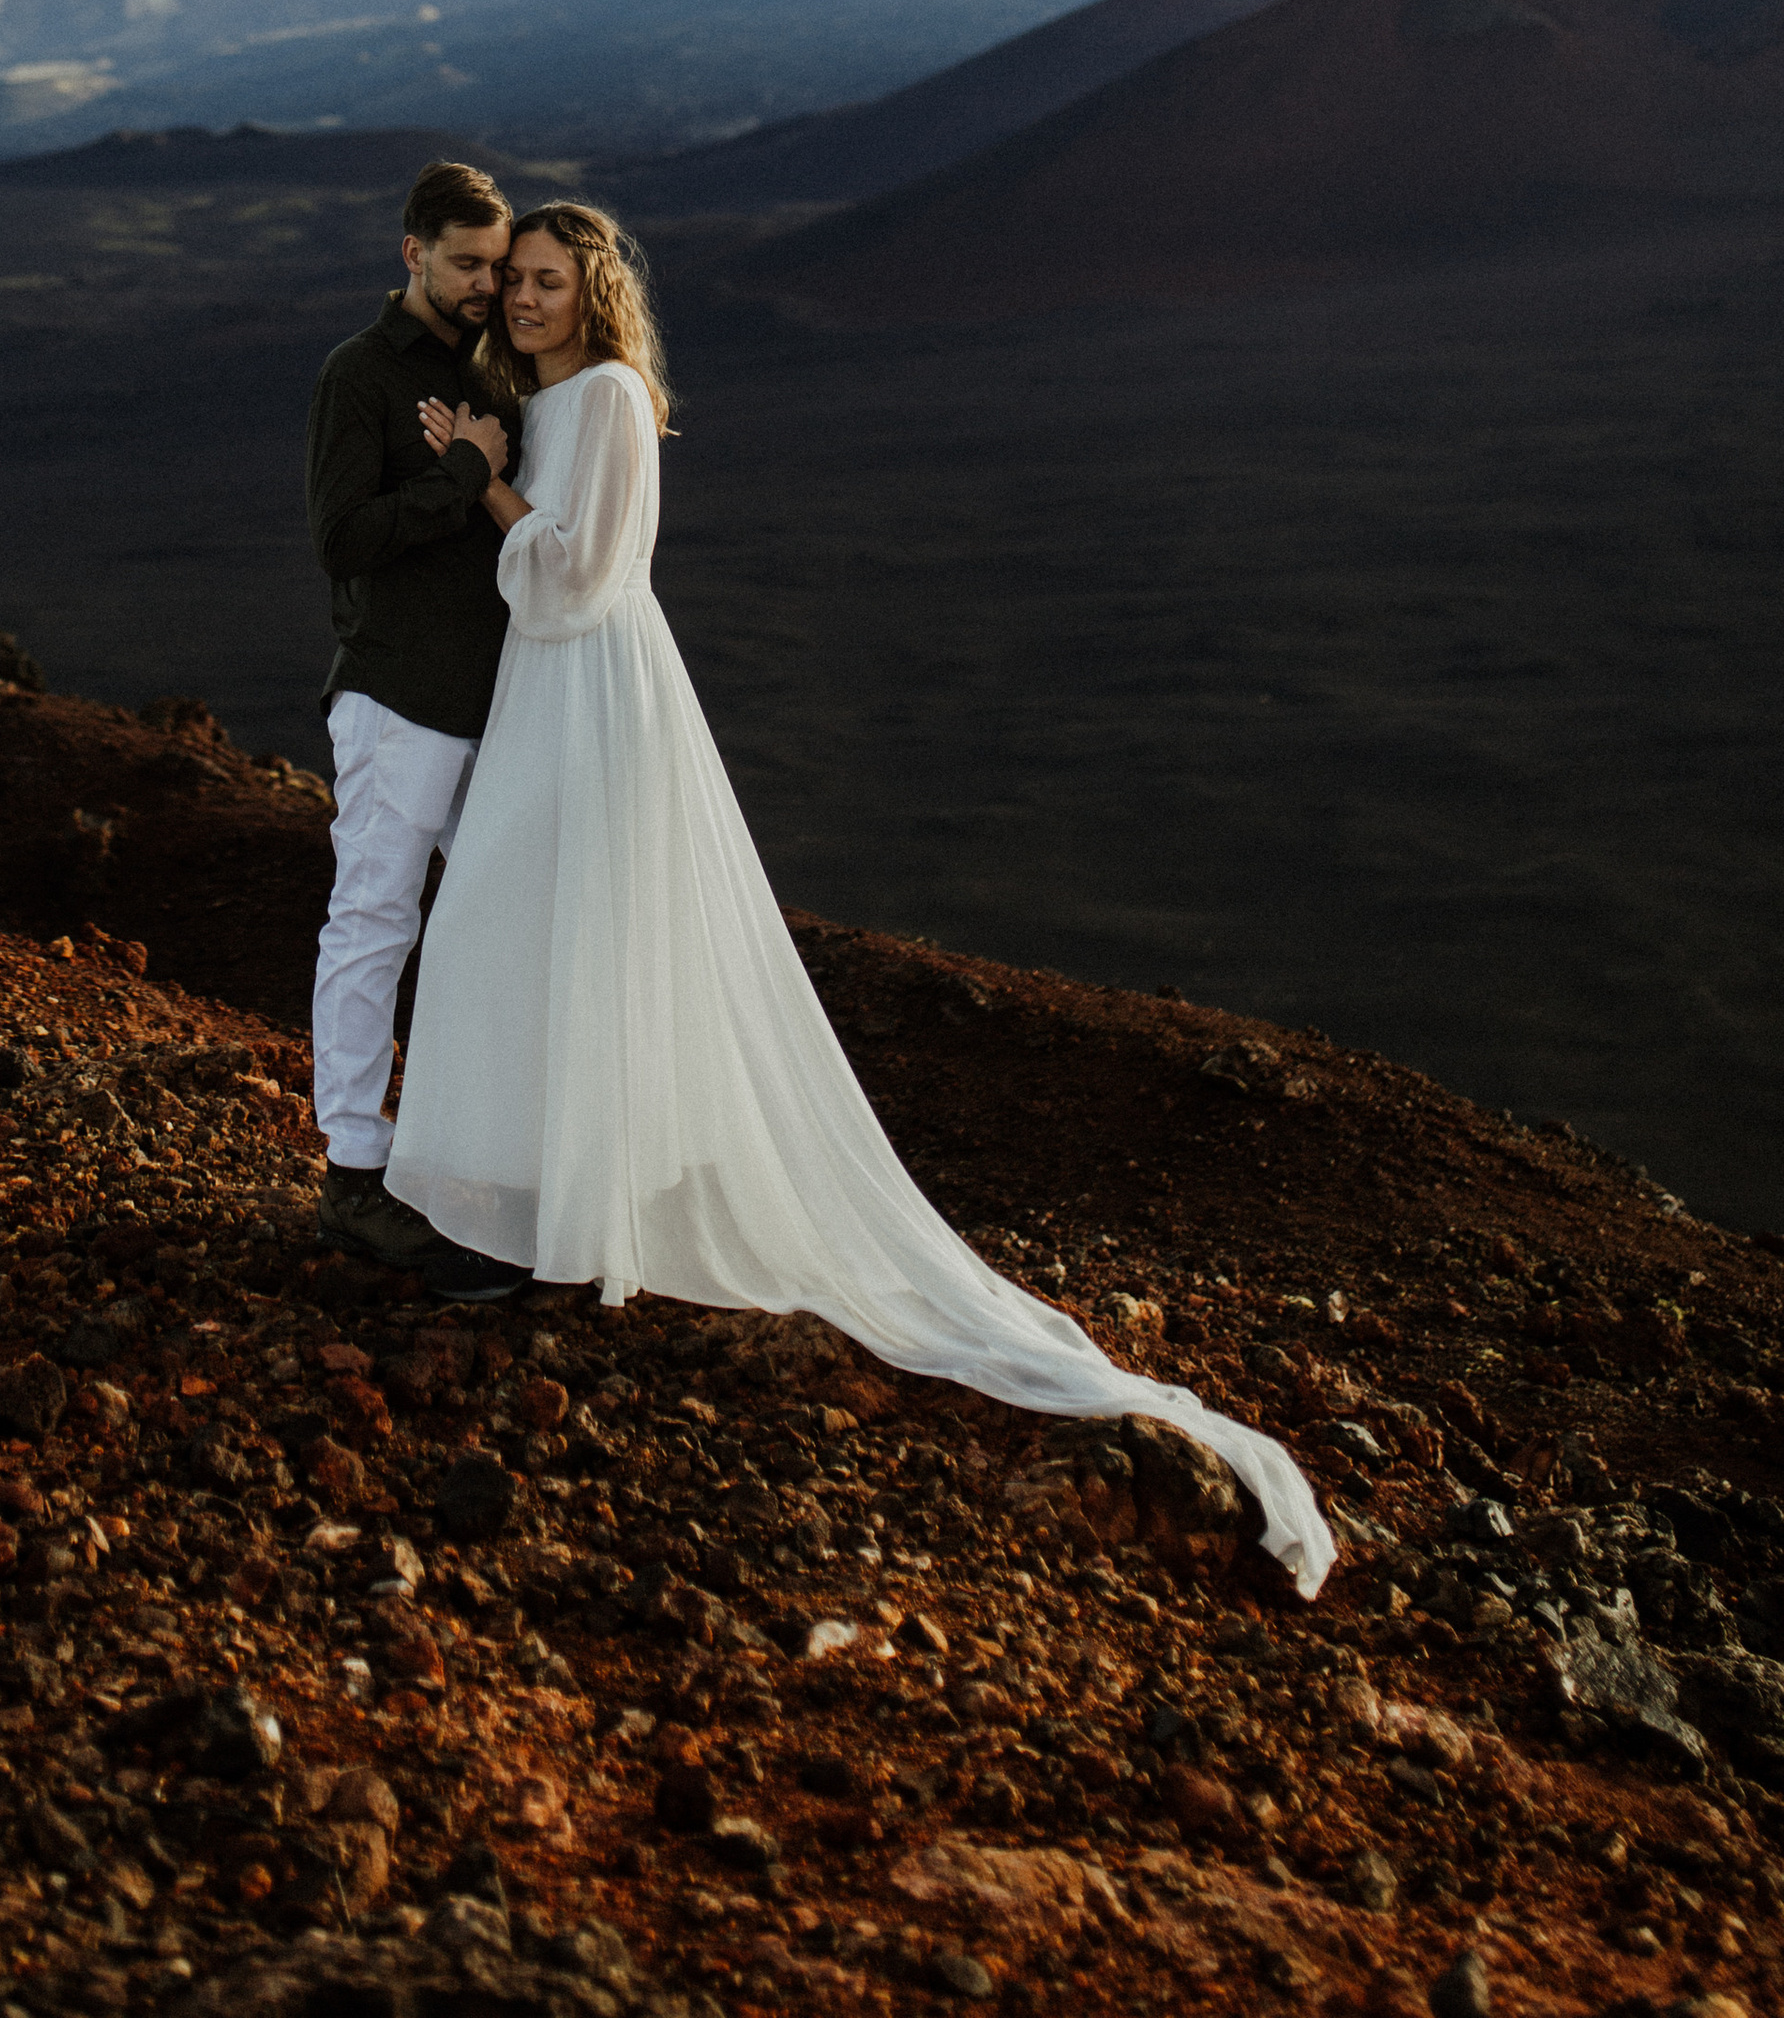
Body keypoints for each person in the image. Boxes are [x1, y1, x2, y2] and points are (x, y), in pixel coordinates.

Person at [388, 200, 1337, 1602]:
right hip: (565, 698)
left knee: (552, 929)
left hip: (591, 692)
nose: (523, 299)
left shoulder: (601, 395)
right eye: (512, 281)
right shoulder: (554, 397)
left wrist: (485, 487)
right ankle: (564, 1225)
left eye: (546, 280)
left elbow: (581, 581)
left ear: (594, 295)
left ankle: (578, 1239)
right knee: (545, 933)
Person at [303, 157, 532, 1300]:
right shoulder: (360, 375)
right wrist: (458, 475)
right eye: (466, 263)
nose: (485, 283)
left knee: (498, 929)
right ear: (412, 254)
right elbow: (342, 538)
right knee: (375, 920)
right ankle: (354, 1173)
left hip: (490, 701)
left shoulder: (492, 370)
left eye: (497, 265)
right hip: (397, 699)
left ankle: (461, 1162)